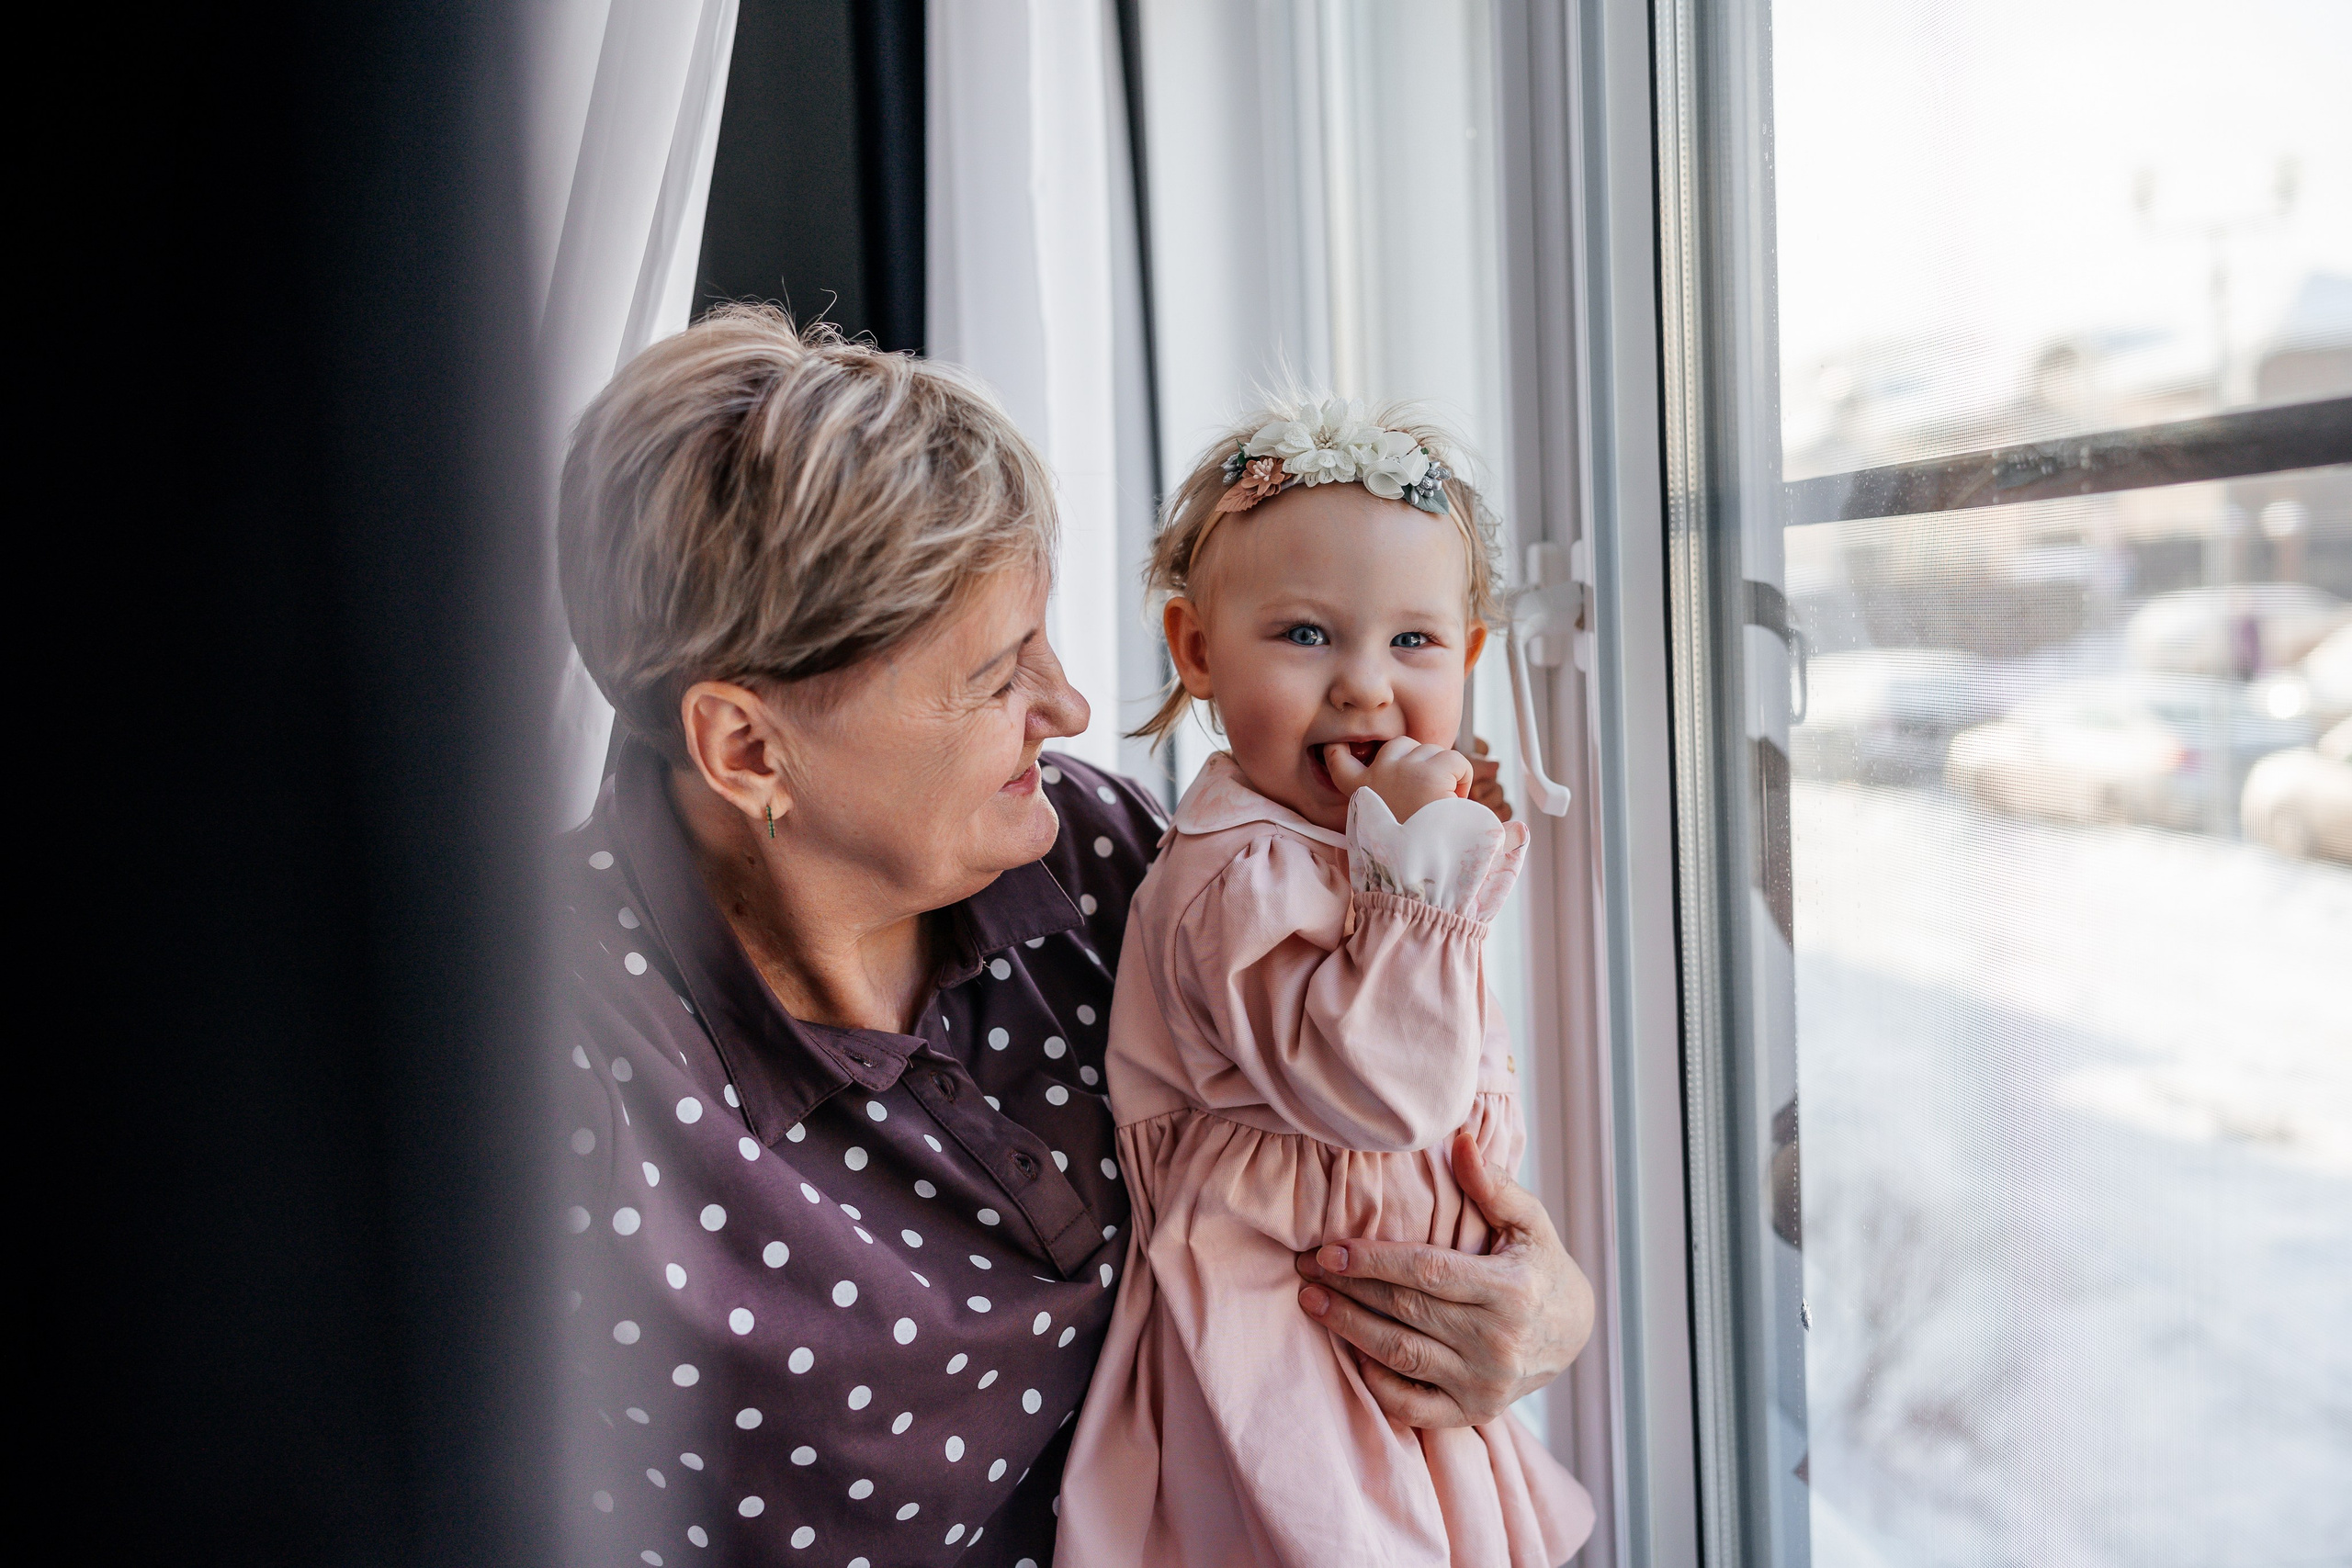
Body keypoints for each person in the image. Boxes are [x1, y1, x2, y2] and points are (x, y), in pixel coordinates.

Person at [551, 307, 1593, 1567]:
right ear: (748, 747)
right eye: (997, 676)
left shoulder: (1097, 854)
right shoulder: (547, 1066)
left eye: (1043, 639)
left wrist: (1537, 1308)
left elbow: (1368, 1127)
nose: (1075, 705)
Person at [1055, 400, 1596, 1566]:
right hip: (1286, 1342)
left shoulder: (1339, 849)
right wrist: (1419, 868)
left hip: (1386, 1346)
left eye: (1411, 643)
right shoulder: (1232, 872)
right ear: (1195, 648)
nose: (1362, 688)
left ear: (1468, 657)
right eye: (1305, 635)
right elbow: (1385, 1091)